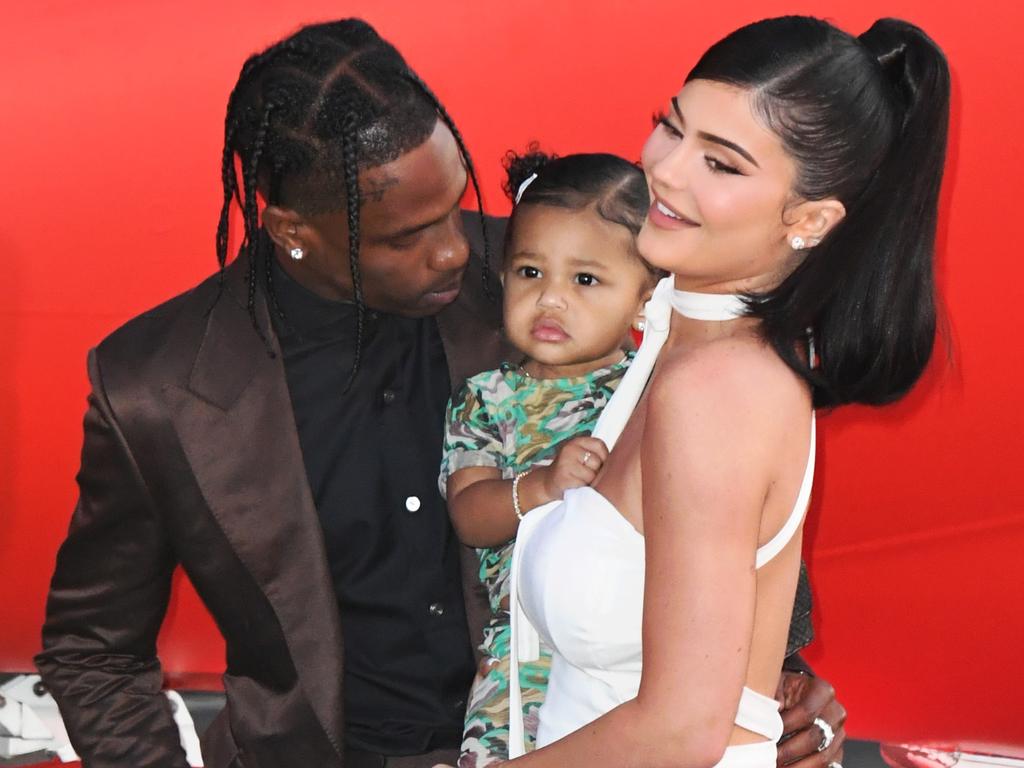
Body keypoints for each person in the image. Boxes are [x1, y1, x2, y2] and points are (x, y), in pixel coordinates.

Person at [34, 18, 847, 768]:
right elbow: (93, 652)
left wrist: (771, 675)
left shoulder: (549, 276)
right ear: (291, 228)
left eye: (455, 205)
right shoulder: (158, 385)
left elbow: (705, 461)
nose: (458, 252)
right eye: (406, 236)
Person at [506, 15, 949, 768]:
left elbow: (682, 729)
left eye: (724, 163)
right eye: (670, 127)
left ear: (808, 219)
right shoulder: (676, 316)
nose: (667, 170)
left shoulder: (715, 392)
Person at [441, 150, 660, 766]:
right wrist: (540, 486)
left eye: (585, 280)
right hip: (527, 658)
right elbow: (470, 514)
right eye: (530, 272)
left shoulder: (657, 393)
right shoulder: (488, 399)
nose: (551, 300)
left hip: (645, 652)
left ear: (646, 300)